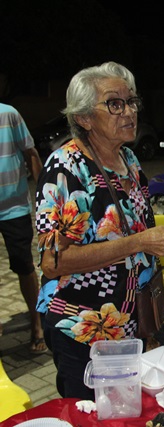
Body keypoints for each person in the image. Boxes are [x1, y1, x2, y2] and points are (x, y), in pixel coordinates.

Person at [35, 62, 164, 399]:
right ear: (85, 117)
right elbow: (53, 262)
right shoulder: (65, 168)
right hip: (83, 330)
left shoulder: (128, 160)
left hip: (132, 322)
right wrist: (139, 242)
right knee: (89, 414)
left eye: (131, 102)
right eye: (115, 104)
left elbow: (138, 228)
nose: (128, 112)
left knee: (126, 411)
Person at [0, 103, 46, 354]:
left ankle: (36, 323)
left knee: (24, 265)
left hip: (14, 207)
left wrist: (45, 198)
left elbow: (30, 154)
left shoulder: (8, 114)